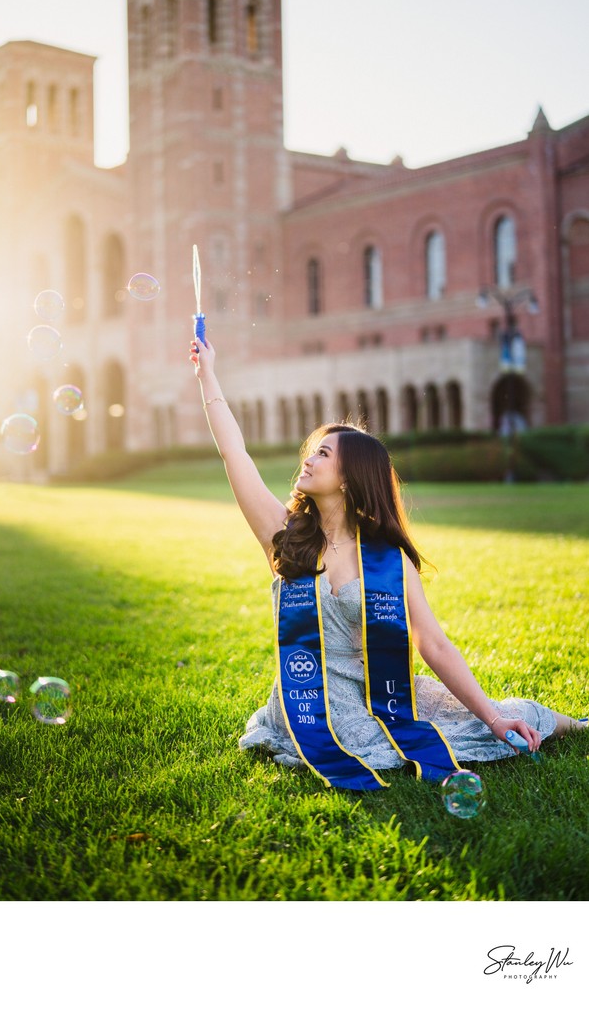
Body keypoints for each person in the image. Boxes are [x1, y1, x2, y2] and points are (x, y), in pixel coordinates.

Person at [190, 335, 587, 787]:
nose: (308, 460)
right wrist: (208, 375)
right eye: (311, 451)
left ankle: (579, 725)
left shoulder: (387, 559)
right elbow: (233, 452)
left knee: (499, 717)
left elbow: (432, 644)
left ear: (348, 479)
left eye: (323, 454)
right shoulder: (283, 535)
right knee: (371, 740)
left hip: (381, 694)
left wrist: (494, 721)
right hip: (309, 705)